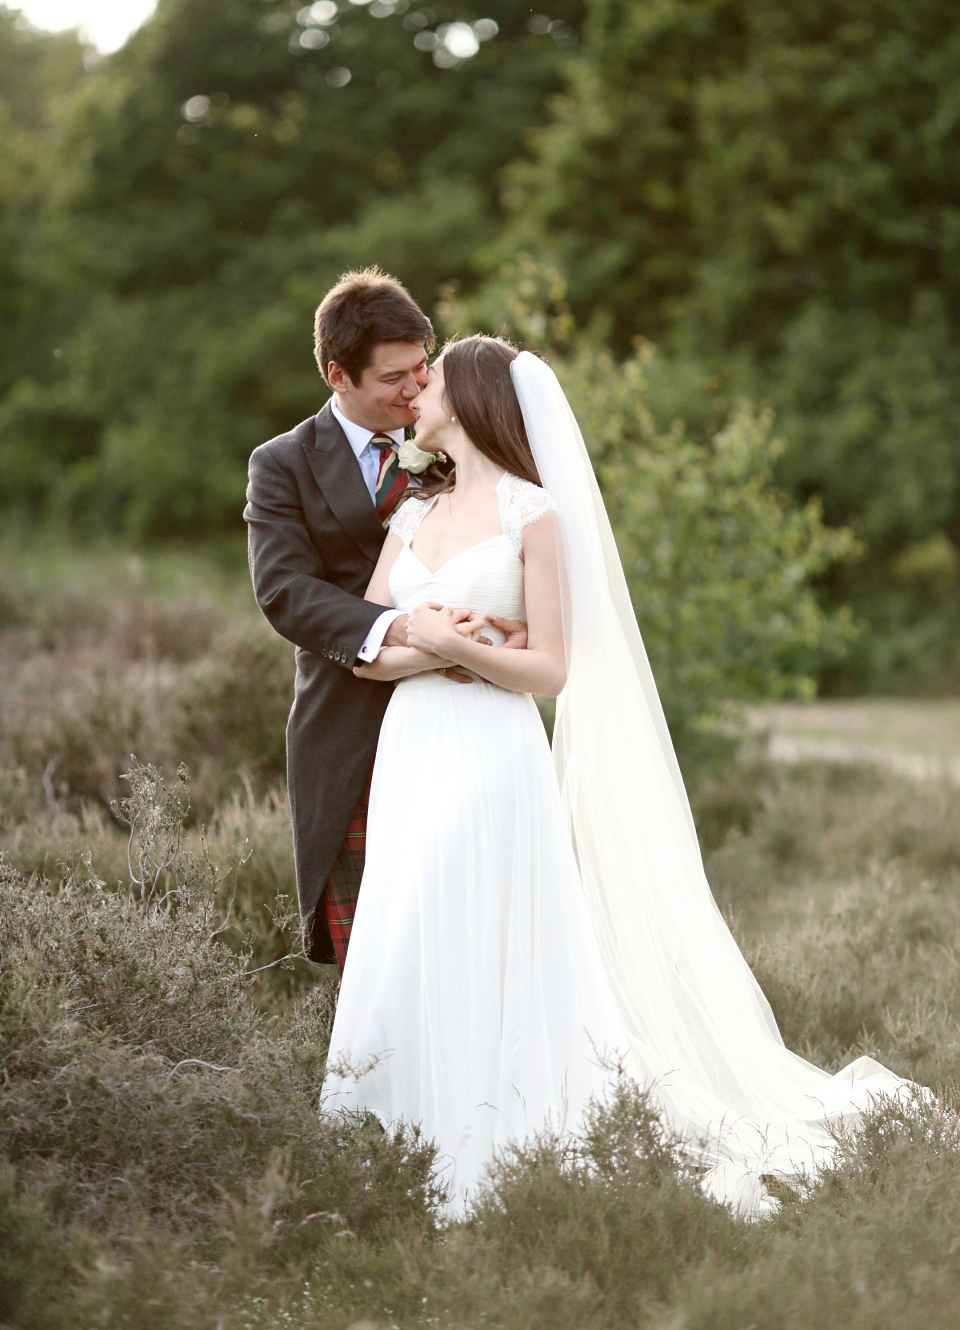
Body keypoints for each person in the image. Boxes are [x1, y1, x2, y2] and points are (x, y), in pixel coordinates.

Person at [322, 333, 912, 1217]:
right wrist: (440, 646)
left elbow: (553, 671)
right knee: (407, 923)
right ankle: (390, 1139)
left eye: (434, 377)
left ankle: (498, 1142)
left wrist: (454, 646)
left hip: (490, 753)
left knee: (481, 925)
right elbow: (367, 653)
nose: (419, 389)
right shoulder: (412, 512)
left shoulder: (535, 516)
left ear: (476, 400)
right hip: (410, 746)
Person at [244, 270, 523, 967]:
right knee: (374, 953)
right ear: (339, 375)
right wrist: (402, 628)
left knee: (473, 936)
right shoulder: (282, 465)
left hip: (467, 726)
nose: (416, 388)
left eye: (422, 368)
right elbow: (283, 590)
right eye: (394, 377)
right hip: (349, 725)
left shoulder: (461, 446)